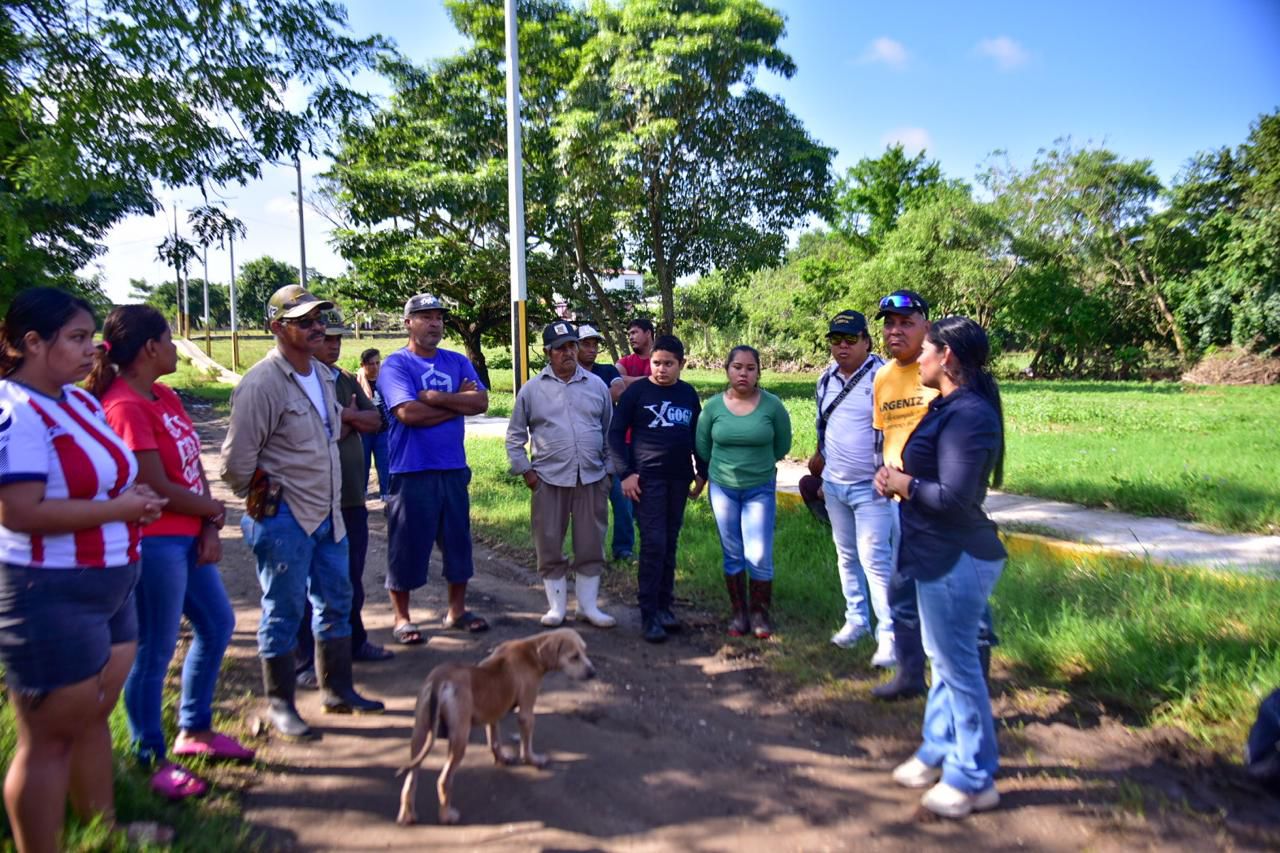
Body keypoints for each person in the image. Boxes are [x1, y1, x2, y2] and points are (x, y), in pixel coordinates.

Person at [0, 288, 167, 852]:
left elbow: (105, 478)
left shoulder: (79, 402)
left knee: (92, 719)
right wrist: (121, 508)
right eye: (75, 338)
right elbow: (20, 512)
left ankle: (105, 827)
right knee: (47, 740)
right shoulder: (15, 412)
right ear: (31, 343)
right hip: (49, 592)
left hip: (111, 585)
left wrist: (132, 493)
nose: (91, 348)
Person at [90, 305, 252, 802]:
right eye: (169, 338)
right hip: (155, 541)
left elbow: (190, 465)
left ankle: (194, 730)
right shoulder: (124, 406)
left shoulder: (163, 395)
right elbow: (153, 483)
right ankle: (148, 754)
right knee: (155, 648)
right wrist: (212, 508)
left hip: (187, 533)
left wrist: (207, 520)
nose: (177, 346)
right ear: (148, 349)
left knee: (217, 623)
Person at [221, 285, 383, 742]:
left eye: (319, 319)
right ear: (277, 328)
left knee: (336, 602)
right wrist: (269, 505)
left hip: (329, 514)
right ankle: (282, 705)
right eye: (304, 321)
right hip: (285, 519)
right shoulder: (262, 383)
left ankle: (338, 690)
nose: (316, 328)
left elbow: (329, 434)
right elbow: (235, 466)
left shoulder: (323, 376)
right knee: (284, 611)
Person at [875, 316, 1008, 819]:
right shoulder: (947, 406)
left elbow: (953, 498)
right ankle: (936, 749)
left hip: (958, 557)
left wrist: (901, 484)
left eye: (926, 350)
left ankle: (974, 777)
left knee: (959, 669)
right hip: (933, 552)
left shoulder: (969, 415)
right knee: (945, 660)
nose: (919, 359)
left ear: (945, 355)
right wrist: (896, 477)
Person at [379, 293, 490, 644]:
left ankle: (456, 611)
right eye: (425, 316)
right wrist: (459, 404)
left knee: (458, 543)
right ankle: (402, 618)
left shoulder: (456, 361)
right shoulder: (395, 365)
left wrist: (437, 398)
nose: (434, 323)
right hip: (411, 469)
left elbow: (482, 402)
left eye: (439, 317)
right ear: (408, 322)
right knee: (407, 545)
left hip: (453, 467)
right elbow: (408, 414)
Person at [294, 312, 393, 688]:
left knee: (350, 575)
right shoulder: (302, 381)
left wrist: (346, 418)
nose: (332, 345)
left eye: (338, 339)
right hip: (314, 499)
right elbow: (313, 432)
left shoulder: (348, 379)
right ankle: (304, 657)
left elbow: (377, 422)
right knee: (308, 582)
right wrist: (348, 419)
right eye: (326, 338)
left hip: (351, 496)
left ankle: (355, 641)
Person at [506, 321, 616, 628]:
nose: (568, 353)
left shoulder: (597, 386)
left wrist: (608, 473)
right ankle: (556, 608)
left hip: (592, 479)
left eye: (572, 346)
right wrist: (527, 474)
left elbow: (610, 434)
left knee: (591, 543)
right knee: (549, 543)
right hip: (549, 480)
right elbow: (515, 437)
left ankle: (588, 607)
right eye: (560, 348)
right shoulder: (531, 389)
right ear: (547, 353)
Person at [810, 310, 896, 667]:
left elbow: (895, 429)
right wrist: (820, 456)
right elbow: (823, 422)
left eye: (850, 339)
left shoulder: (883, 377)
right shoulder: (825, 378)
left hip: (871, 486)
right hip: (835, 484)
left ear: (866, 340)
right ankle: (856, 620)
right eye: (835, 340)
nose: (842, 346)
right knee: (846, 556)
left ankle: (889, 636)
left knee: (875, 561)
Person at [608, 334, 707, 643]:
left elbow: (697, 436)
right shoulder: (636, 392)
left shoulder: (688, 394)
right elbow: (614, 435)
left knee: (670, 542)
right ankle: (648, 613)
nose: (661, 369)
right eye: (656, 363)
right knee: (653, 544)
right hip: (645, 482)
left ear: (681, 364)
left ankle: (665, 607)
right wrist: (626, 474)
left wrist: (701, 471)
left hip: (678, 479)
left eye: (669, 364)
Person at [695, 345, 791, 639]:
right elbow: (703, 447)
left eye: (750, 368)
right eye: (737, 367)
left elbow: (782, 446)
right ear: (727, 370)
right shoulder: (712, 408)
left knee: (759, 553)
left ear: (758, 372)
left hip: (759, 488)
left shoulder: (772, 406)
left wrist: (758, 466)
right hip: (723, 488)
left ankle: (760, 614)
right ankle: (739, 614)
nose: (743, 373)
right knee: (733, 551)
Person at [868, 290, 937, 701]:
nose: (895, 330)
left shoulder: (943, 368)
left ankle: (963, 683)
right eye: (889, 323)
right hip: (900, 502)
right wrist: (883, 468)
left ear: (926, 326)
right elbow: (886, 433)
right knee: (903, 589)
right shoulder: (883, 376)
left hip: (939, 498)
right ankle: (912, 674)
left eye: (906, 322)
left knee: (947, 593)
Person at [575, 323, 634, 561]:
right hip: (583, 450)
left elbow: (619, 391)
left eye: (594, 345)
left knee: (623, 501)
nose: (591, 349)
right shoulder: (569, 374)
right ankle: (590, 552)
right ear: (574, 346)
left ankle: (623, 549)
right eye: (586, 344)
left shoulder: (608, 370)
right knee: (588, 508)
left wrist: (586, 402)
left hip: (613, 447)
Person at [356, 347, 391, 502]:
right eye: (371, 364)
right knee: (362, 465)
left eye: (377, 363)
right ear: (363, 365)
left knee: (384, 464)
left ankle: (386, 495)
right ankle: (361, 495)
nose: (375, 367)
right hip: (363, 431)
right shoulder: (356, 382)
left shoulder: (386, 380)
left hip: (383, 430)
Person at [614, 317, 655, 396]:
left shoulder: (663, 359)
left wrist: (629, 381)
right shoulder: (624, 362)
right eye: (629, 334)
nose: (630, 337)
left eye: (634, 333)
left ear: (648, 333)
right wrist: (649, 380)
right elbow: (615, 381)